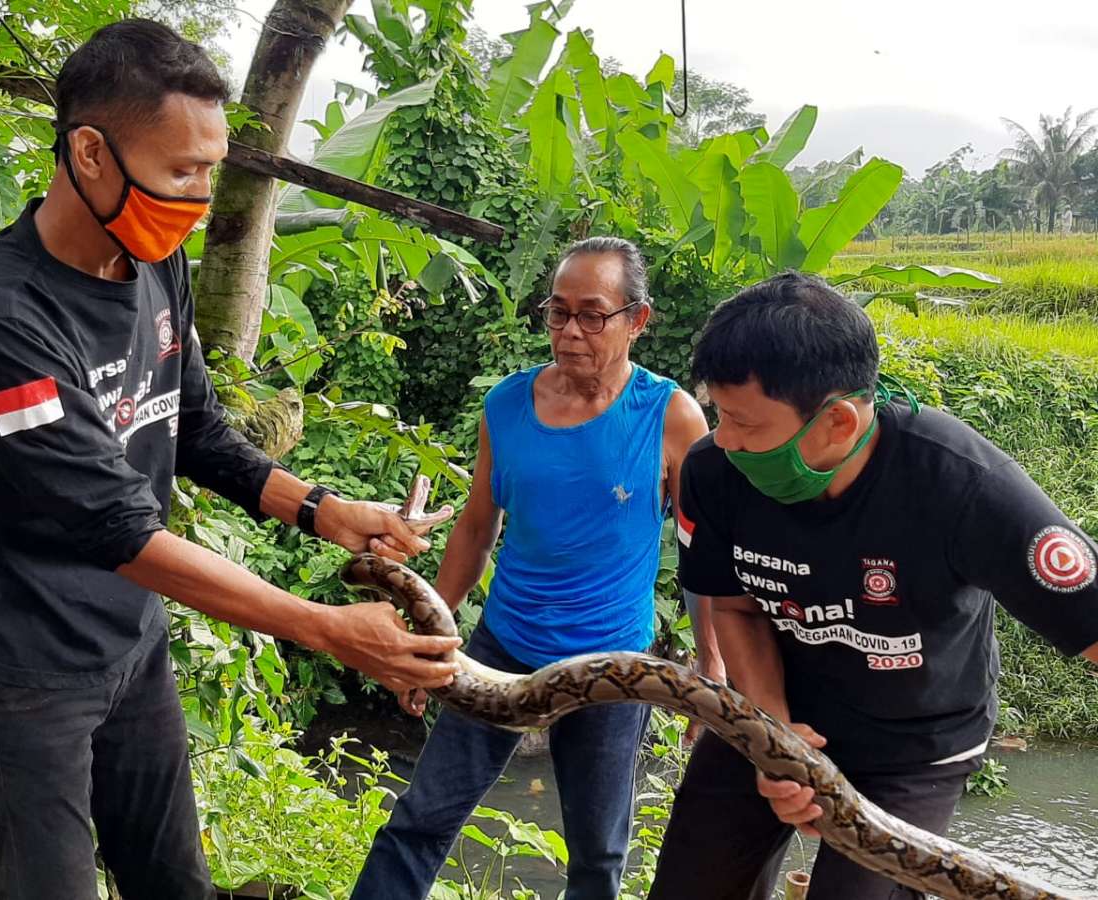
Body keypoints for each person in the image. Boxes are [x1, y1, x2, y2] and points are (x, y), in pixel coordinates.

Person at [0, 20, 461, 900]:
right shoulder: (1, 324)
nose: (201, 198)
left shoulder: (153, 260)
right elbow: (119, 528)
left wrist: (322, 509)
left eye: (211, 169)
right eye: (183, 171)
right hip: (26, 673)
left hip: (132, 647)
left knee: (176, 885)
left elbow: (197, 429)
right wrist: (325, 627)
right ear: (90, 153)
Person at [647, 272, 1098, 900]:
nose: (725, 439)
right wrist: (774, 740)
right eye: (720, 415)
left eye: (745, 424)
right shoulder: (715, 470)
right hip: (775, 710)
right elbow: (735, 605)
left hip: (912, 746)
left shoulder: (960, 484)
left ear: (836, 421)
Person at [351, 236, 721, 900]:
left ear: (637, 319)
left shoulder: (671, 417)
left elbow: (705, 551)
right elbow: (475, 528)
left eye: (592, 314)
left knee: (598, 855)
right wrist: (425, 632)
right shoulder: (508, 405)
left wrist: (712, 668)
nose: (570, 330)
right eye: (558, 312)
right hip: (503, 647)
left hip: (614, 667)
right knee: (420, 821)